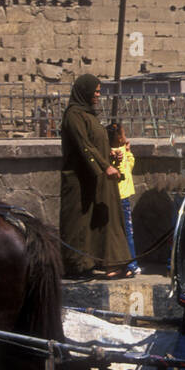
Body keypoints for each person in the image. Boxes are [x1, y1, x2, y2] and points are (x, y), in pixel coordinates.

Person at [59, 74, 131, 278]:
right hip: (80, 180)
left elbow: (95, 143)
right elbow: (83, 145)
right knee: (78, 224)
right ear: (85, 91)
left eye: (99, 91)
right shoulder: (73, 115)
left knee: (102, 221)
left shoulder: (88, 114)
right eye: (96, 91)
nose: (98, 95)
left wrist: (110, 153)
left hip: (95, 177)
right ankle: (76, 266)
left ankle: (109, 264)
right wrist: (105, 166)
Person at [108, 121, 142, 277]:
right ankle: (130, 264)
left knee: (125, 232)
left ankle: (128, 265)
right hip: (120, 197)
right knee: (126, 232)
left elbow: (130, 167)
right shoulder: (113, 153)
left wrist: (128, 152)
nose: (126, 137)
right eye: (124, 134)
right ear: (118, 137)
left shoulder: (121, 150)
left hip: (123, 196)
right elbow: (121, 172)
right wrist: (120, 157)